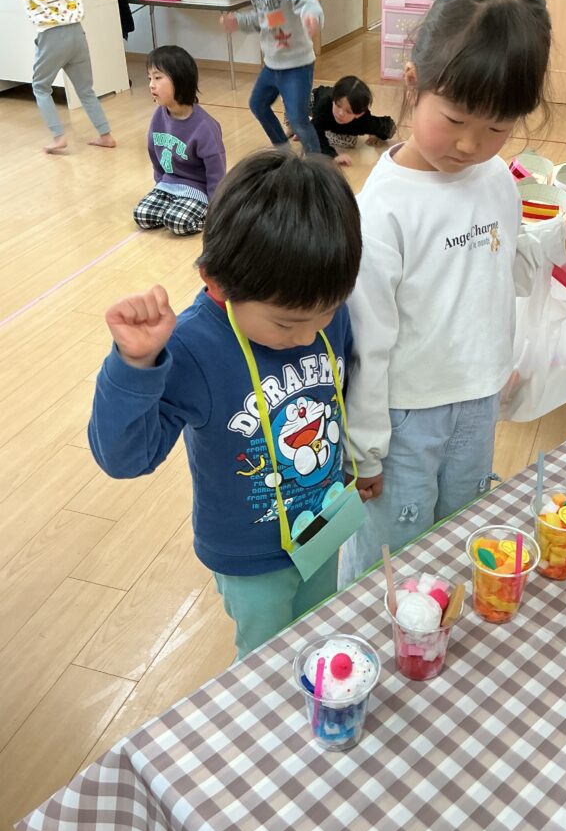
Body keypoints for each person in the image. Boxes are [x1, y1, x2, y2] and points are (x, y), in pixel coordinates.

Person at [338, 0, 566, 583]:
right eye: (455, 118)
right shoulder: (384, 208)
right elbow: (367, 341)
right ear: (414, 84)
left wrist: (556, 238)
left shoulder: (494, 179)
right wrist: (365, 447)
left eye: (497, 128)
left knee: (461, 534)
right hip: (405, 415)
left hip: (477, 403)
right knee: (392, 555)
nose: (470, 145)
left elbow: (499, 267)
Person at [88, 150, 362, 659]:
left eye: (326, 313)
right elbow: (126, 458)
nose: (309, 335)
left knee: (319, 640)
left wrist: (352, 468)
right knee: (265, 664)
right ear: (215, 281)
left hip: (325, 523)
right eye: (286, 323)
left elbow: (339, 400)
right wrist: (135, 365)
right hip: (250, 557)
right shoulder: (194, 346)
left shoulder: (323, 308)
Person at [0, 0, 116, 153]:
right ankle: (106, 135)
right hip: (77, 31)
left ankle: (58, 136)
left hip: (50, 35)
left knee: (40, 87)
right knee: (86, 90)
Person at [220, 0, 322, 155]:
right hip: (272, 64)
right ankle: (283, 152)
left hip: (297, 65)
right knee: (258, 104)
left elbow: (307, 2)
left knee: (297, 119)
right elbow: (264, 19)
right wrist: (238, 21)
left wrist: (312, 16)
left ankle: (317, 163)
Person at [133, 45, 226, 237]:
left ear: (180, 80)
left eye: (158, 78)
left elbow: (216, 172)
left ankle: (195, 213)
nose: (151, 85)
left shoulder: (205, 127)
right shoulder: (158, 116)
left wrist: (215, 208)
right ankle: (174, 207)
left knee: (177, 222)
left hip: (198, 189)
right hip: (169, 184)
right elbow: (154, 154)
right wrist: (160, 184)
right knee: (142, 215)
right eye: (149, 78)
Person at [306, 77, 396, 165]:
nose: (341, 113)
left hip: (339, 126)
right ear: (333, 100)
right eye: (338, 105)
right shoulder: (325, 104)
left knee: (349, 142)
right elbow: (315, 132)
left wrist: (378, 135)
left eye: (348, 111)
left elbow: (389, 126)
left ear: (359, 114)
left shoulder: (363, 122)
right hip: (316, 101)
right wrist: (332, 155)